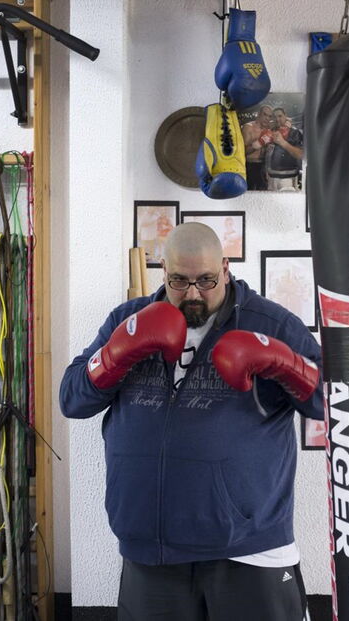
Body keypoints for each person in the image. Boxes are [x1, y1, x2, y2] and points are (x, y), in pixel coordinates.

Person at [59, 223, 322, 620]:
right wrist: (113, 355)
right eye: (180, 281)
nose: (194, 294)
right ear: (163, 270)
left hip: (248, 552)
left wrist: (288, 365)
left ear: (226, 268)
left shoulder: (271, 324)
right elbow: (71, 399)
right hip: (151, 551)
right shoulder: (128, 318)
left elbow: (332, 405)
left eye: (206, 280)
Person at [265, 107, 304, 192]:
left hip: (288, 178)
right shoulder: (270, 132)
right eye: (274, 117)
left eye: (280, 116)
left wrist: (283, 143)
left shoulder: (294, 133)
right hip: (271, 177)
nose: (277, 119)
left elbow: (300, 154)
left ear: (285, 116)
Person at [241, 105, 274, 190]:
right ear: (259, 114)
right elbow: (242, 152)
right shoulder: (248, 128)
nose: (267, 118)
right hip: (249, 165)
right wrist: (259, 143)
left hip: (263, 167)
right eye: (265, 114)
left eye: (269, 116)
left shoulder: (269, 130)